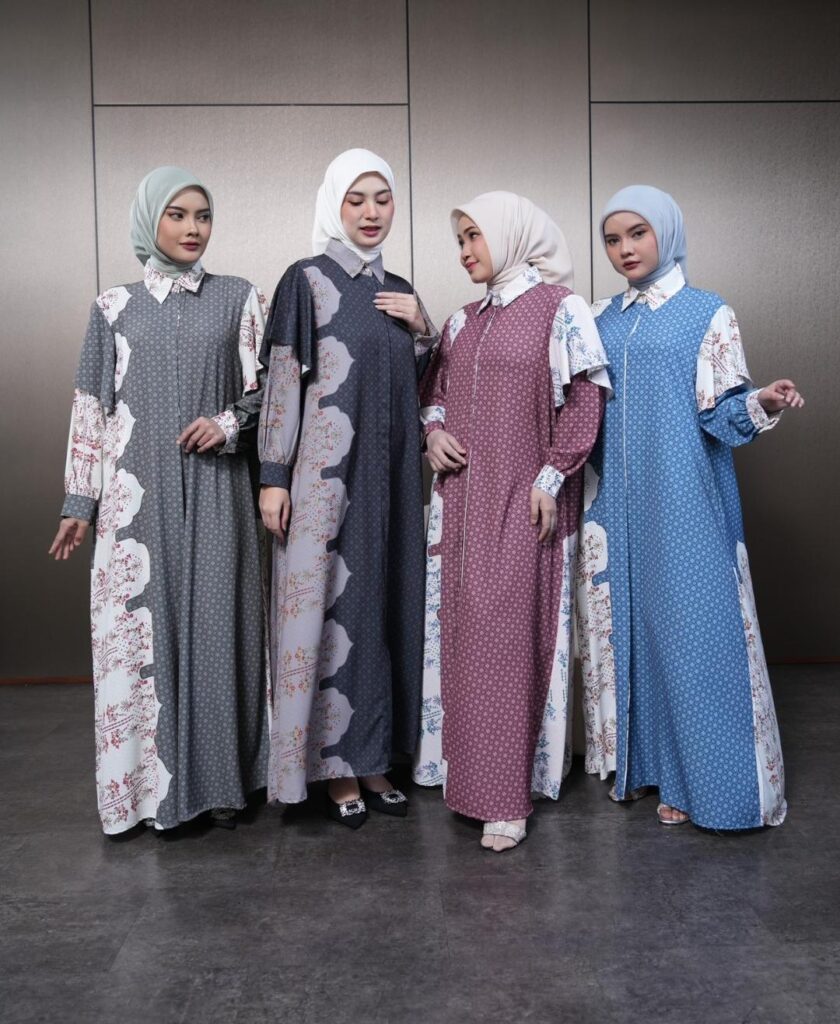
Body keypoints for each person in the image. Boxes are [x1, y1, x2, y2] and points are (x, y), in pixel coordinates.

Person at [49, 166, 269, 834]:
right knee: (147, 639)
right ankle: (152, 797)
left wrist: (228, 424)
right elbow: (91, 407)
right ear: (151, 221)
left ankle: (223, 786)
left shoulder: (238, 297)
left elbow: (272, 391)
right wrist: (79, 502)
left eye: (203, 215)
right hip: (136, 501)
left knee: (219, 632)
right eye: (177, 215)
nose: (193, 228)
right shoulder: (112, 307)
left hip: (218, 490)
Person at [577, 184, 803, 830]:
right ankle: (650, 769)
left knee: (695, 639)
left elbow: (721, 415)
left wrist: (762, 401)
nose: (625, 249)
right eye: (613, 239)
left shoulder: (707, 313)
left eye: (637, 234)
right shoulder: (600, 318)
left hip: (684, 502)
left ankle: (707, 785)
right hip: (616, 509)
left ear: (666, 234)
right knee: (635, 635)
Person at [411, 191, 611, 851]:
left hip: (525, 499)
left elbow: (585, 398)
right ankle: (465, 776)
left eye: (475, 237)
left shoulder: (561, 308)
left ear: (510, 234)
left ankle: (504, 796)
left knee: (509, 642)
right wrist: (433, 433)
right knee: (463, 640)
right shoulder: (460, 322)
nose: (465, 252)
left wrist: (553, 475)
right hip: (459, 504)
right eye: (459, 241)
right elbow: (435, 397)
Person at [258, 148, 436, 828]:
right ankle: (333, 768)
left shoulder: (401, 289)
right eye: (356, 199)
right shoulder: (305, 280)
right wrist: (274, 477)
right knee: (333, 614)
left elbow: (422, 389)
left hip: (393, 482)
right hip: (326, 483)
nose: (370, 212)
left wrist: (423, 329)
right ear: (335, 204)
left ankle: (375, 758)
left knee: (384, 612)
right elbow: (281, 381)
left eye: (382, 200)